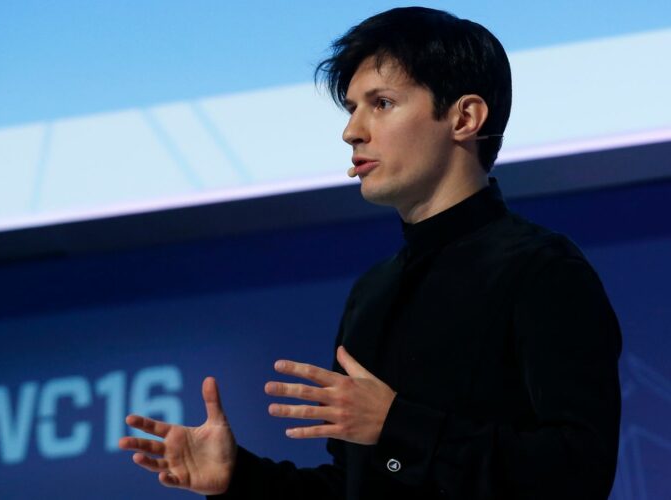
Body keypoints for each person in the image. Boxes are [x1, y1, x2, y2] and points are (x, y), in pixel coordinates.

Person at [119, 7, 622, 499]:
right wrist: (240, 479)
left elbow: (578, 472)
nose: (351, 131)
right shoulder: (372, 293)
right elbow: (356, 486)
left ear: (464, 117)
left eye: (381, 103)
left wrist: (396, 424)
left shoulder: (542, 270)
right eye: (351, 108)